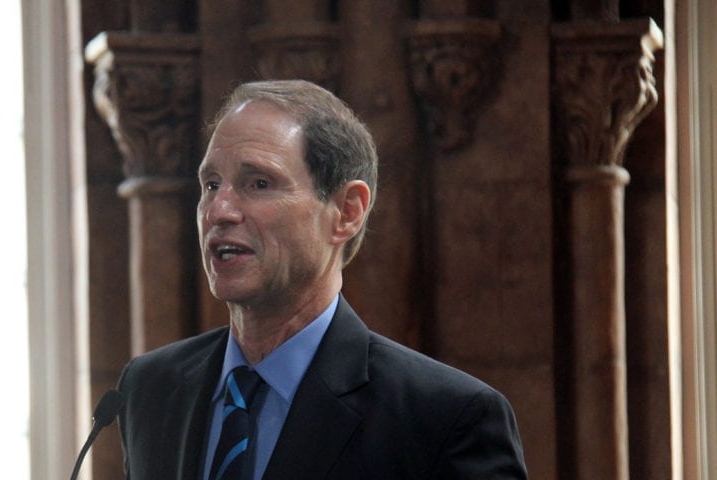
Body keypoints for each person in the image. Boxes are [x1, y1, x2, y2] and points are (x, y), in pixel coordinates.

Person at [115, 79, 527, 479]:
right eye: (211, 184)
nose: (219, 211)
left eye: (259, 183)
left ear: (347, 211)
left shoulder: (445, 419)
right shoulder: (151, 388)